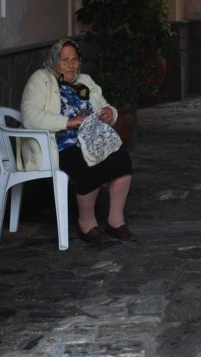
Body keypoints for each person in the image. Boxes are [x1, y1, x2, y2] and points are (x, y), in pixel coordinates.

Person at [20, 38, 137, 245]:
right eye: (65, 59)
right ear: (54, 59)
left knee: (122, 160)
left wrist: (111, 113)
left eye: (74, 59)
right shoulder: (41, 79)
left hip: (91, 139)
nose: (71, 64)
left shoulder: (86, 81)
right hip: (58, 143)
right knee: (86, 167)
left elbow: (105, 107)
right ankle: (87, 223)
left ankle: (115, 221)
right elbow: (30, 116)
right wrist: (68, 122)